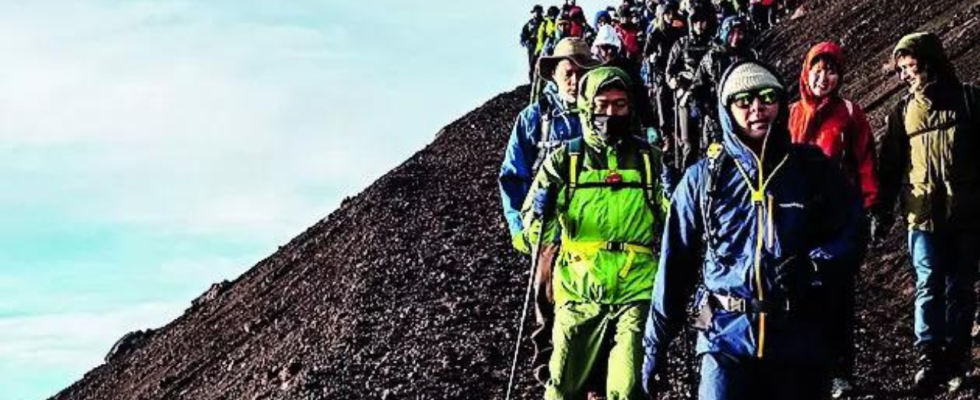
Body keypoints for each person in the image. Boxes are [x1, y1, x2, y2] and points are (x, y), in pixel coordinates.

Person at [643, 60, 864, 400]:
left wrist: (816, 264)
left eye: (766, 97)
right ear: (727, 108)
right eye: (743, 100)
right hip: (724, 338)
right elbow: (674, 265)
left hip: (798, 336)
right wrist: (654, 347)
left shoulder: (811, 169)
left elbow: (852, 232)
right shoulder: (702, 179)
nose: (757, 109)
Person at [523, 66, 668, 400]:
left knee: (629, 387)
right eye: (602, 104)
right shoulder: (565, 160)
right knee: (561, 387)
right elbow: (534, 229)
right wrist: (539, 214)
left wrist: (674, 196)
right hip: (579, 289)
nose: (611, 113)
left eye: (620, 104)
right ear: (587, 106)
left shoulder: (649, 160)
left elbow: (674, 222)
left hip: (635, 288)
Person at [878, 32, 980, 395]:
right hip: (921, 216)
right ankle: (928, 356)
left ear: (930, 63)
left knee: (961, 288)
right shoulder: (902, 112)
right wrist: (881, 212)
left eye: (910, 67)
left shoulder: (969, 100)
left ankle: (957, 356)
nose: (904, 75)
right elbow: (889, 166)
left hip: (966, 214)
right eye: (901, 69)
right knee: (928, 284)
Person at [500, 42, 602, 382]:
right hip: (551, 229)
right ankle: (550, 370)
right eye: (568, 73)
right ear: (554, 75)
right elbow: (513, 177)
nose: (574, 80)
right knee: (547, 295)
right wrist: (519, 227)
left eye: (581, 73)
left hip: (598, 228)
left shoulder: (604, 114)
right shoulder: (533, 119)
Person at [788, 41, 879, 399]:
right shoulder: (791, 113)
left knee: (838, 296)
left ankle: (840, 372)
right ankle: (807, 370)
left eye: (831, 71)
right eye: (818, 69)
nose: (824, 78)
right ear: (807, 71)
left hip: (837, 218)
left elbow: (865, 160)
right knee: (798, 294)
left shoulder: (850, 114)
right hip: (796, 218)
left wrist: (870, 205)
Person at [665, 4, 715, 182]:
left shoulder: (713, 45)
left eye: (703, 21)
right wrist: (674, 83)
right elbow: (669, 72)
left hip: (708, 99)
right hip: (686, 98)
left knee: (710, 142)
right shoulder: (681, 44)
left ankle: (709, 179)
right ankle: (686, 180)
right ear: (691, 23)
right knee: (688, 144)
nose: (700, 25)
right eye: (696, 21)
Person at [691, 16, 758, 149]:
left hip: (744, 115)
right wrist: (706, 110)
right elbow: (697, 87)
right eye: (732, 33)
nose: (736, 37)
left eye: (740, 33)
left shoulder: (749, 55)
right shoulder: (712, 57)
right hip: (717, 118)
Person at [643, 1, 685, 145]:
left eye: (671, 13)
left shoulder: (677, 31)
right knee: (662, 101)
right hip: (661, 72)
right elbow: (646, 53)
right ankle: (666, 135)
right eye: (667, 13)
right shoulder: (654, 34)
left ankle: (680, 131)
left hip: (675, 70)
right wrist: (652, 57)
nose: (670, 16)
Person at [522, 5, 547, 83]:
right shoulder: (529, 24)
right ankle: (532, 82)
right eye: (536, 11)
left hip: (543, 45)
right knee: (532, 64)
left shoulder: (545, 22)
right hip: (532, 46)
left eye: (539, 11)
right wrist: (526, 42)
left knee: (543, 63)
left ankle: (543, 82)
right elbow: (523, 36)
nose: (537, 13)